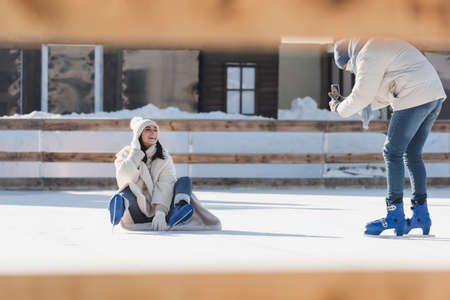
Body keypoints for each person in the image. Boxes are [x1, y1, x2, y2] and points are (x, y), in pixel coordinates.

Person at [330, 38, 446, 236]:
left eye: (347, 66)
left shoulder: (367, 53)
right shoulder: (378, 47)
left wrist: (340, 108)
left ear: (350, 56)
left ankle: (395, 216)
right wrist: (351, 103)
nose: (350, 71)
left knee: (392, 152)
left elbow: (364, 94)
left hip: (414, 95)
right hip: (432, 95)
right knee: (412, 154)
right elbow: (380, 94)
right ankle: (421, 215)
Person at [109, 116, 221, 231]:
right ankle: (120, 206)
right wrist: (135, 153)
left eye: (155, 130)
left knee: (184, 181)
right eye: (147, 129)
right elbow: (124, 178)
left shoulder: (164, 157)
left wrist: (161, 212)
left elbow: (166, 184)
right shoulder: (126, 155)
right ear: (138, 134)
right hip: (138, 213)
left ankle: (179, 210)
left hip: (164, 213)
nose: (153, 132)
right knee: (128, 187)